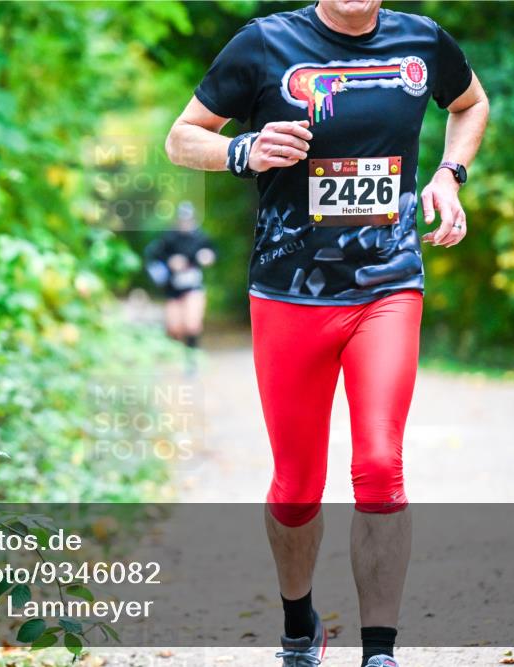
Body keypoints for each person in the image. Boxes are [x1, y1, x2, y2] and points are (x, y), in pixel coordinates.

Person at [164, 1, 488, 666]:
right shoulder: (265, 43)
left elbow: (471, 104)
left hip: (387, 286)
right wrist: (241, 150)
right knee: (296, 486)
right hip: (289, 293)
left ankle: (380, 651)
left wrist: (449, 176)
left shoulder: (421, 41)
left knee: (380, 465)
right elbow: (181, 137)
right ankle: (297, 624)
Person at [144, 201, 216, 352]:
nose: (185, 223)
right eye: (182, 220)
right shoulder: (168, 238)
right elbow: (153, 256)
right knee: (174, 327)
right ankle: (178, 353)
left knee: (192, 323)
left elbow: (212, 253)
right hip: (173, 288)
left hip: (193, 286)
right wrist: (170, 262)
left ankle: (192, 356)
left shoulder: (201, 237)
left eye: (188, 220)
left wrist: (207, 257)